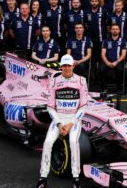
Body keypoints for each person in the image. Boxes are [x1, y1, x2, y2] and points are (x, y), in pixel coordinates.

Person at [36, 54, 88, 188]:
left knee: (73, 142)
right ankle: (43, 179)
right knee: (47, 142)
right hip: (58, 118)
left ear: (73, 66)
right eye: (64, 65)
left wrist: (71, 123)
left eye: (69, 65)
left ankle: (76, 179)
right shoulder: (53, 81)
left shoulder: (81, 81)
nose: (66, 68)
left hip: (73, 119)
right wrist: (59, 124)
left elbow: (83, 106)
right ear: (60, 66)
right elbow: (50, 106)